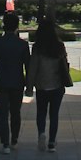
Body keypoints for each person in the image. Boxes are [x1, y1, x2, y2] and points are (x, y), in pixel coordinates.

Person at [0, 9, 31, 153]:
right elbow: (28, 66)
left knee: (2, 113)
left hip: (1, 81)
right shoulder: (22, 44)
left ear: (3, 25)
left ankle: (5, 143)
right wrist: (29, 85)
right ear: (17, 26)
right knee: (16, 112)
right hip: (17, 82)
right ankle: (14, 140)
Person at [28, 16, 69, 151]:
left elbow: (33, 68)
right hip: (57, 84)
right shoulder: (59, 46)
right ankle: (52, 142)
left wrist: (29, 86)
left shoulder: (37, 48)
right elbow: (64, 65)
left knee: (41, 111)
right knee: (54, 114)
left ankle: (41, 133)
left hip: (41, 85)